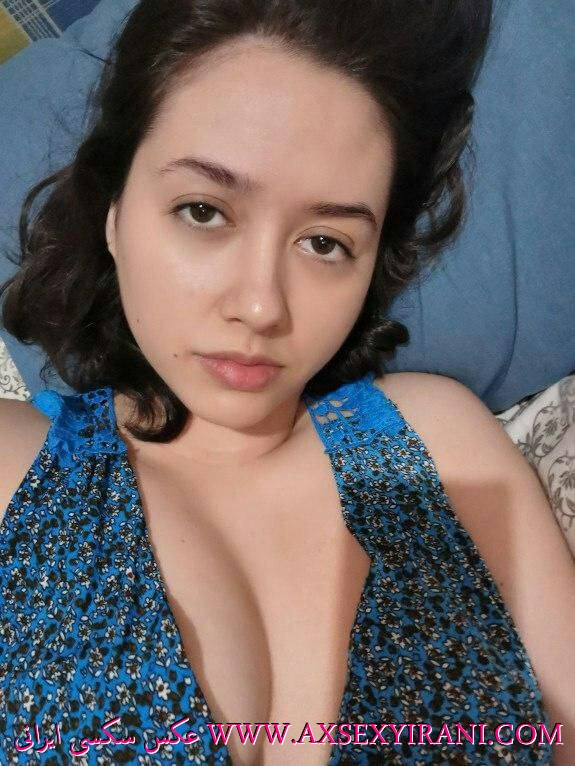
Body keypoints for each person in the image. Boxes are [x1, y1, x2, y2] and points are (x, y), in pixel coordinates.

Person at [0, 0, 573, 763]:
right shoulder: (12, 465)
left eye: (325, 243)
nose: (262, 306)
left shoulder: (440, 443)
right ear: (114, 212)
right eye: (204, 211)